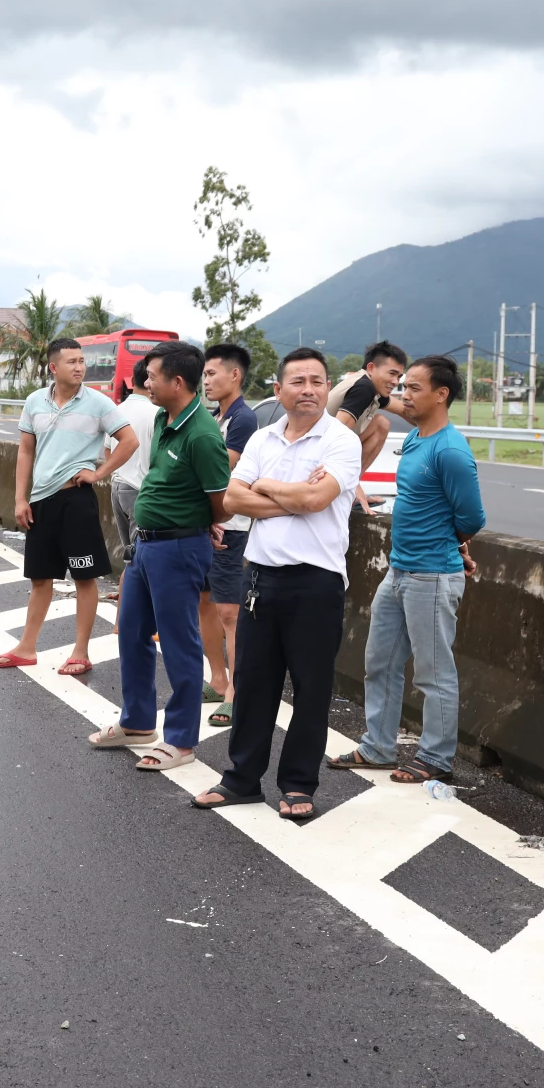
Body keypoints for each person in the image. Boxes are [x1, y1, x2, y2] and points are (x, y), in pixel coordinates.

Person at [190, 348, 360, 821]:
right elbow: (231, 498)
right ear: (278, 389)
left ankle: (298, 784)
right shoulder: (263, 439)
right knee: (253, 682)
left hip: (317, 582)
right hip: (260, 578)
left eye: (318, 381)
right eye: (298, 381)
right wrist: (294, 495)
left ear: (327, 388)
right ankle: (241, 779)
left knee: (311, 689)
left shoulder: (341, 442)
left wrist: (265, 487)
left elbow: (317, 498)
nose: (309, 389)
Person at [330, 355, 485, 785]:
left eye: (414, 388)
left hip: (432, 576)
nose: (404, 395)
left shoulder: (451, 450)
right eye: (404, 386)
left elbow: (471, 517)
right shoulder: (417, 438)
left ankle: (435, 757)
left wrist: (451, 543)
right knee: (379, 663)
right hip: (399, 571)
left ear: (442, 395)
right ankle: (378, 746)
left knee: (434, 673)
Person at [87, 341, 230, 771]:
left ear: (177, 382)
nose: (145, 383)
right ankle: (136, 723)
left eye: (152, 376)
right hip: (146, 546)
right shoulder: (167, 420)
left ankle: (182, 740)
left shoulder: (202, 434)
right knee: (131, 632)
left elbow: (220, 502)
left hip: (178, 548)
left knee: (179, 642)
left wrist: (202, 522)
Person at [0, 338, 138, 676]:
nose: (80, 367)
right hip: (40, 501)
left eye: (82, 361)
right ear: (54, 368)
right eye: (71, 361)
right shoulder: (34, 402)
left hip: (76, 500)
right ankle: (26, 648)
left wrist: (99, 472)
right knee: (40, 578)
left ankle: (81, 652)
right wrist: (20, 498)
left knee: (85, 577)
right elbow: (26, 451)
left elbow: (129, 441)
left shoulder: (98, 403)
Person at [200, 342, 259, 728]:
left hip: (233, 528)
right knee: (203, 603)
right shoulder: (212, 416)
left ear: (234, 375)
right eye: (203, 374)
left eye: (211, 373)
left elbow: (221, 468)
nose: (205, 381)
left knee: (230, 613)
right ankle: (217, 679)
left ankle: (236, 691)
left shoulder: (243, 419)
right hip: (206, 525)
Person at [328, 342, 408, 509]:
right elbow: (335, 437)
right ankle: (348, 489)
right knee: (380, 424)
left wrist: (437, 424)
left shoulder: (371, 386)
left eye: (399, 376)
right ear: (371, 368)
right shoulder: (364, 388)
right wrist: (353, 486)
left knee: (381, 423)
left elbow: (404, 410)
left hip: (323, 453)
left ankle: (348, 487)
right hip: (318, 454)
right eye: (392, 373)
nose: (395, 381)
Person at [107, 357, 159, 573]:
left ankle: (126, 601)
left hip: (117, 487)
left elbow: (108, 451)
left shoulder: (116, 409)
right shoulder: (156, 413)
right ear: (149, 380)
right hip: (140, 491)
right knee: (143, 558)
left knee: (130, 555)